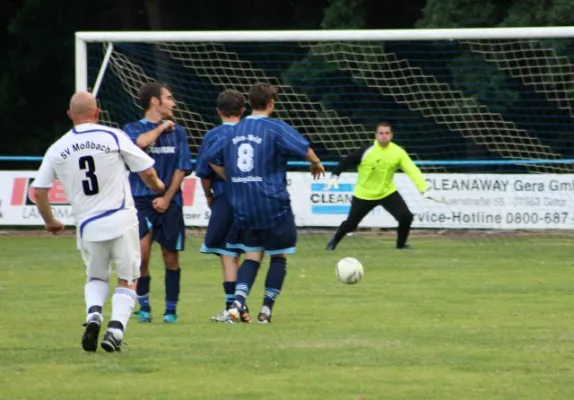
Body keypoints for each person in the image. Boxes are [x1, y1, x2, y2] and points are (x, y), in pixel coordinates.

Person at [31, 91, 165, 353]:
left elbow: (38, 191)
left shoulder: (57, 147)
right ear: (97, 112)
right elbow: (147, 171)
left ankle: (94, 315)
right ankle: (115, 329)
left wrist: (51, 221)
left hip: (88, 224)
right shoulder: (112, 136)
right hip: (122, 218)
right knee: (128, 279)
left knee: (96, 277)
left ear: (70, 115)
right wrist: (158, 186)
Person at [207, 82, 325, 323]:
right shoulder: (275, 128)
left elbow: (212, 159)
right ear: (271, 103)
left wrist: (234, 179)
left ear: (249, 103)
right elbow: (304, 148)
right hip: (272, 203)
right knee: (279, 256)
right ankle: (265, 310)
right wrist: (316, 163)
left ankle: (238, 302)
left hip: (244, 204)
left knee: (252, 256)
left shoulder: (234, 131)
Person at [123, 83, 193, 324]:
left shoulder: (179, 132)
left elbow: (181, 168)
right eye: (169, 98)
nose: (173, 103)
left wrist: (166, 197)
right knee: (140, 256)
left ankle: (171, 311)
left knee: (170, 257)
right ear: (155, 102)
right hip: (140, 200)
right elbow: (139, 144)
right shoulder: (131, 129)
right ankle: (144, 307)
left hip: (170, 200)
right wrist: (162, 127)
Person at [324, 122, 438, 251]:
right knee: (351, 224)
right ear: (376, 135)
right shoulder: (366, 151)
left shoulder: (398, 152)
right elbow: (346, 162)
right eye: (381, 133)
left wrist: (424, 189)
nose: (384, 136)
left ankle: (401, 245)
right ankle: (333, 242)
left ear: (391, 135)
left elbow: (412, 170)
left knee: (406, 217)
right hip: (364, 194)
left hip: (387, 192)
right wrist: (335, 175)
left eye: (387, 133)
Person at [195, 89, 251, 323]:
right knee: (251, 253)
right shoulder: (251, 133)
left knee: (228, 255)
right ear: (242, 111)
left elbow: (204, 171)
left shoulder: (213, 136)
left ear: (218, 111)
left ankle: (232, 308)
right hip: (252, 200)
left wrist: (208, 195)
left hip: (226, 199)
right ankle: (245, 308)